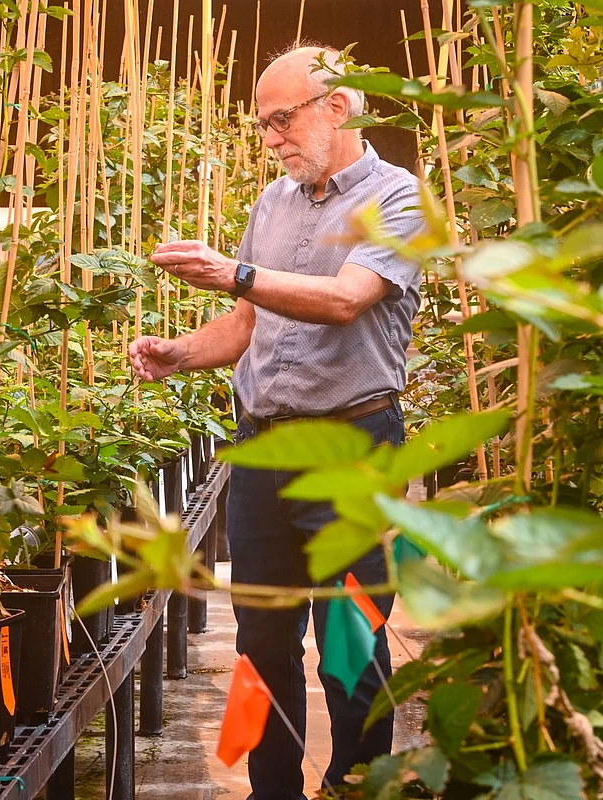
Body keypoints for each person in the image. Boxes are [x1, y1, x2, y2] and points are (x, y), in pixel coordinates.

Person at [128, 44, 424, 799]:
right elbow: (245, 323)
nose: (270, 138)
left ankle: (357, 787)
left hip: (352, 451)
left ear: (337, 106)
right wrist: (178, 352)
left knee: (350, 644)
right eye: (262, 125)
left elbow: (347, 298)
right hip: (261, 451)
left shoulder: (399, 198)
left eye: (281, 119)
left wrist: (233, 271)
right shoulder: (273, 203)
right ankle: (273, 791)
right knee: (259, 646)